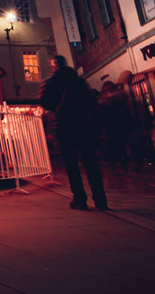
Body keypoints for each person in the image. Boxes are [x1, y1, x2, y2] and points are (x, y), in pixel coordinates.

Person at [40, 55, 108, 211]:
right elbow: (91, 102)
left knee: (71, 165)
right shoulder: (79, 81)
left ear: (54, 67)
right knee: (91, 164)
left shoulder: (51, 82)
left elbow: (45, 103)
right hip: (83, 126)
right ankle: (100, 199)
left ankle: (79, 199)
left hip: (64, 127)